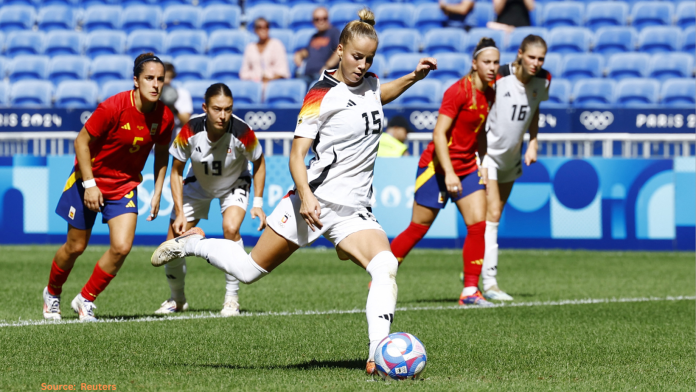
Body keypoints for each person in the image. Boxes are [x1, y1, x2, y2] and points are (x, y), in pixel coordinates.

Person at [150, 9, 436, 375]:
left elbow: (380, 95)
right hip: (312, 201)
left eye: (369, 59)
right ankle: (190, 243)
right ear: (340, 50)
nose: (362, 65)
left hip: (353, 210)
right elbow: (297, 153)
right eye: (356, 57)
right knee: (249, 270)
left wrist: (413, 76)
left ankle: (377, 352)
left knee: (386, 265)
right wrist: (307, 195)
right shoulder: (320, 93)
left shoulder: (371, 84)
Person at [42, 53, 174, 322]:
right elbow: (81, 142)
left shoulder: (165, 116)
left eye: (160, 79)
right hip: (86, 180)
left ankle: (86, 299)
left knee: (122, 247)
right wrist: (90, 185)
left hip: (124, 185)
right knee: (76, 246)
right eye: (149, 78)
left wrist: (159, 189)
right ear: (135, 80)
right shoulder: (113, 107)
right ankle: (52, 293)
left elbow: (162, 153)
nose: (155, 84)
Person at [390, 38, 500, 307]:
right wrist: (449, 173)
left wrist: (483, 164)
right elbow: (438, 134)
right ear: (474, 64)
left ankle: (470, 292)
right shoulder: (457, 91)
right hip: (437, 167)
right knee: (417, 229)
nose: (493, 67)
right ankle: (381, 276)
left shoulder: (491, 92)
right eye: (487, 62)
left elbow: (481, 132)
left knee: (478, 226)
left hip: (467, 167)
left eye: (496, 62)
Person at [154, 83, 266, 317]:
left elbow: (259, 162)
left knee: (231, 228)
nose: (223, 115)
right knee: (172, 245)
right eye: (217, 109)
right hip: (197, 183)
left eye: (228, 109)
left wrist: (258, 202)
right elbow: (175, 171)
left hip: (234, 183)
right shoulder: (189, 131)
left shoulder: (242, 132)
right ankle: (177, 299)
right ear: (205, 108)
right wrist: (180, 212)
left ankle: (232, 299)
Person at [480, 34, 550, 300]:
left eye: (541, 58)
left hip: (512, 157)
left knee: (493, 215)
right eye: (531, 56)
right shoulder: (498, 75)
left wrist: (533, 142)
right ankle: (490, 282)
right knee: (493, 213)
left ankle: (477, 264)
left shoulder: (544, 80)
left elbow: (535, 110)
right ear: (520, 53)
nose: (536, 63)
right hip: (488, 154)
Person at [293, 7, 341, 87]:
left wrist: (327, 66)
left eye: (324, 18)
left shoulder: (334, 32)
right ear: (313, 21)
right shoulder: (314, 36)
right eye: (317, 19)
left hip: (322, 76)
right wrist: (299, 54)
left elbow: (339, 51)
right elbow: (308, 51)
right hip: (307, 75)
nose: (321, 21)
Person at [240, 17, 290, 85]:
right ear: (255, 30)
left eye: (266, 27)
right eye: (259, 27)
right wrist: (257, 77)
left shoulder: (277, 45)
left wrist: (269, 79)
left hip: (274, 84)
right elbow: (244, 73)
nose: (263, 30)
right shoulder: (250, 48)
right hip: (254, 84)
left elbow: (283, 71)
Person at [161, 62, 193, 129]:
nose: (166, 80)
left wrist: (173, 107)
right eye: (163, 77)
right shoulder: (151, 94)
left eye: (169, 77)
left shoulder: (183, 94)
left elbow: (186, 122)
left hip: (176, 136)